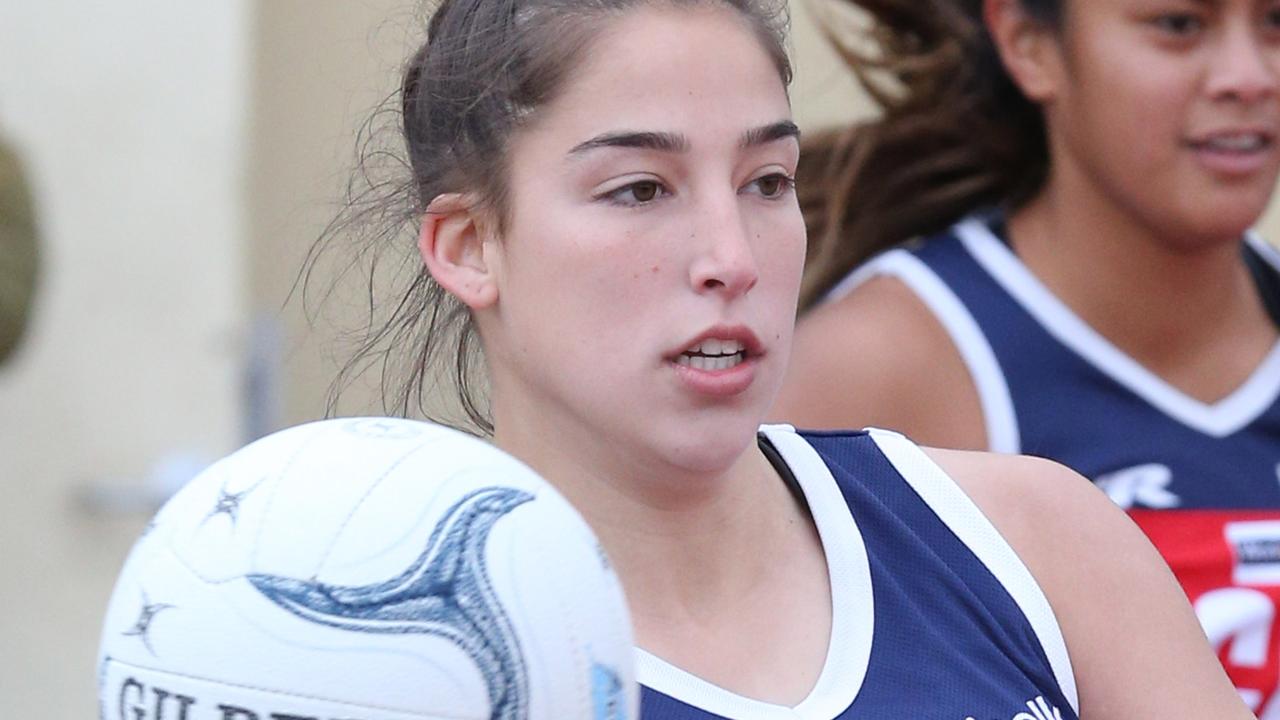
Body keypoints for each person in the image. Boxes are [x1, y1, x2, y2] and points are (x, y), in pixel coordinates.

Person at [307, 0, 1249, 717]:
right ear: (469, 245)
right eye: (640, 190)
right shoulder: (383, 667)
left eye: (767, 182)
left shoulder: (1039, 541)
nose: (732, 257)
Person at [775, 0, 1280, 714]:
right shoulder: (887, 361)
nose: (1248, 76)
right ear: (1028, 44)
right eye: (1179, 25)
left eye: (1277, 23)